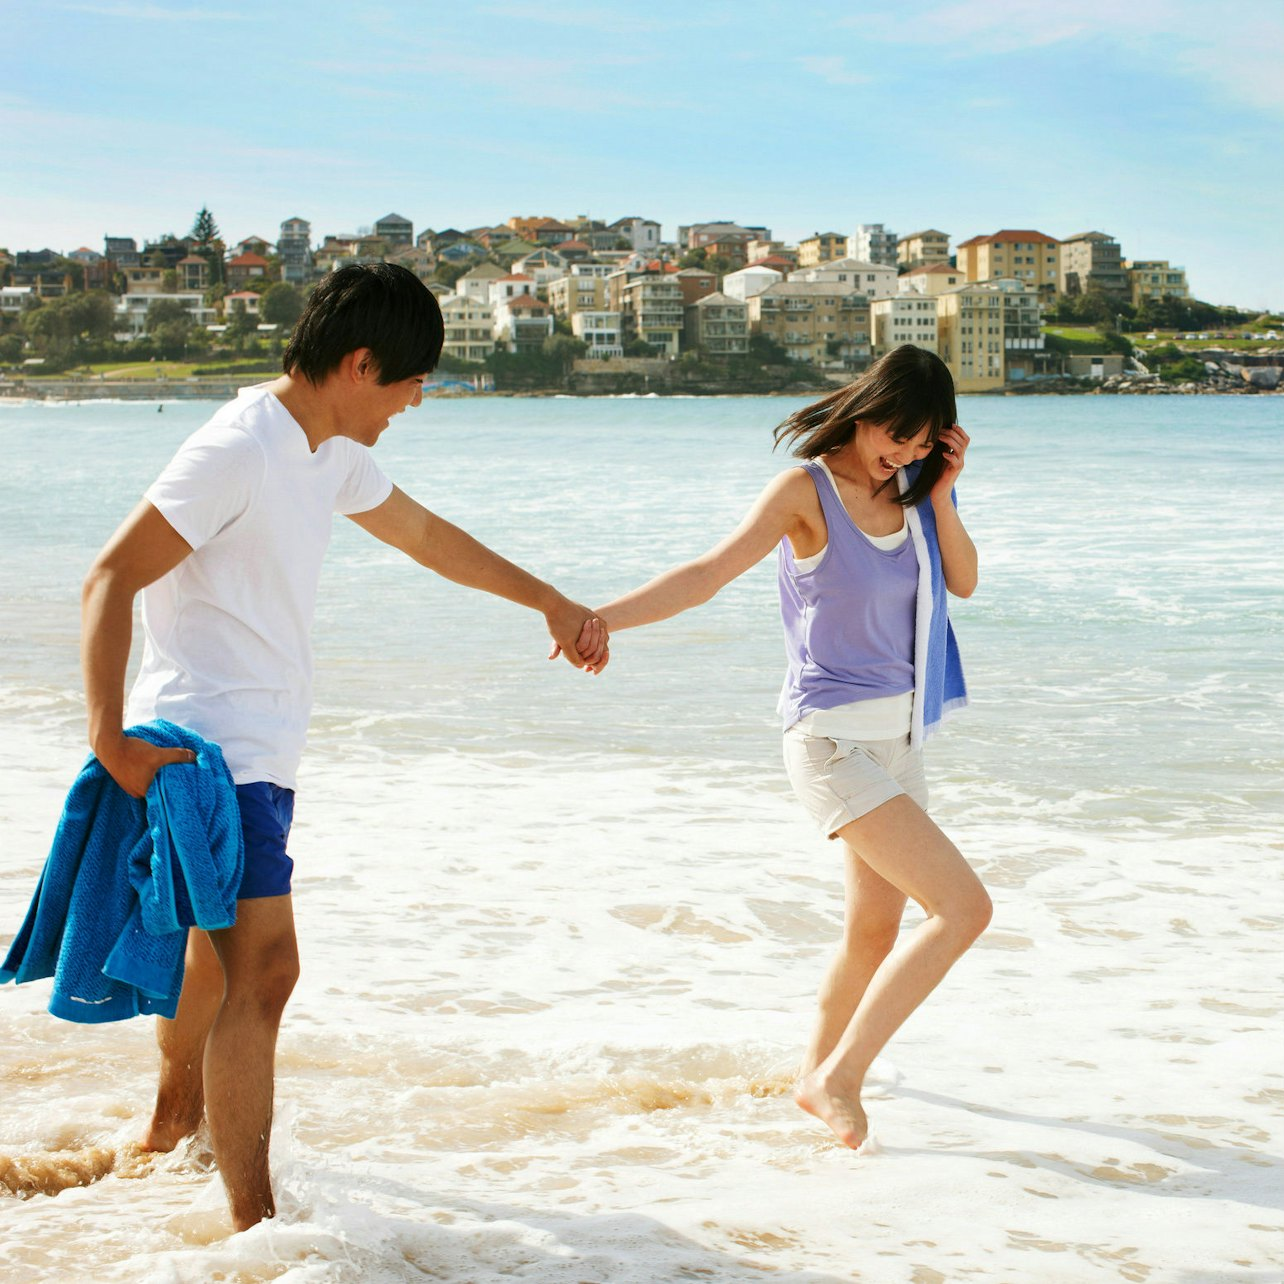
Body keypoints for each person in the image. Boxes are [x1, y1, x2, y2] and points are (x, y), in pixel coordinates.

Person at [80, 262, 607, 1230]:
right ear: (361, 364)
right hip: (209, 748)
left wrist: (549, 598)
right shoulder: (239, 445)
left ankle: (170, 1128)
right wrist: (109, 739)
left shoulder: (326, 450)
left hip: (260, 750)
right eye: (410, 384)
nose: (415, 403)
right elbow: (111, 576)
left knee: (213, 959)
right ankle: (256, 1226)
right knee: (267, 972)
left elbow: (426, 537)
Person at [572, 345, 991, 1150]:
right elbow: (706, 572)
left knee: (872, 933)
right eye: (894, 437)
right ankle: (841, 1078)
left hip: (900, 742)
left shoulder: (913, 493)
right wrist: (602, 618)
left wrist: (942, 492)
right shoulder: (806, 492)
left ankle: (811, 1081)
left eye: (919, 443)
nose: (899, 453)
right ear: (866, 409)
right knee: (963, 909)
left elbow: (965, 581)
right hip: (831, 743)